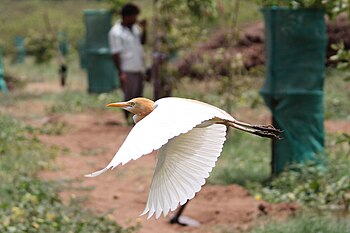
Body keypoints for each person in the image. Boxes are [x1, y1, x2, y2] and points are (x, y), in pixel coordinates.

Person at [109, 3, 147, 122]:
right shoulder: (116, 32)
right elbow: (115, 54)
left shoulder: (134, 28)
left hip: (138, 67)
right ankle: (127, 120)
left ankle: (135, 120)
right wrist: (121, 73)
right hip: (127, 69)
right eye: (134, 16)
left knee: (138, 96)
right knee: (129, 98)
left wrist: (144, 29)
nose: (136, 19)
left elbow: (142, 42)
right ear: (127, 16)